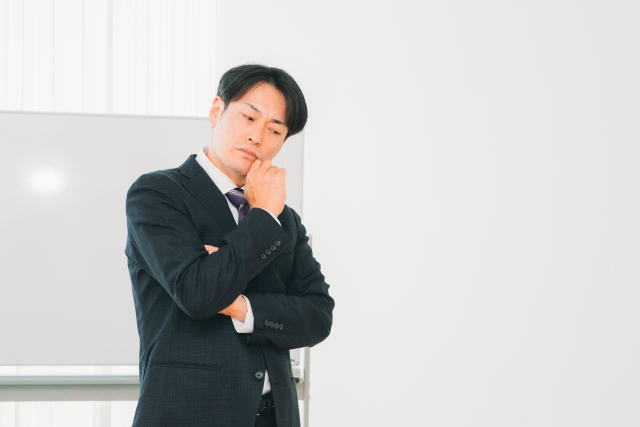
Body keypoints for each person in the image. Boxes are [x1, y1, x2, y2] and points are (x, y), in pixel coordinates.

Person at [125, 64, 335, 427]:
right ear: (216, 111)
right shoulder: (158, 194)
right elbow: (198, 292)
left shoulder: (284, 218)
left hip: (276, 416)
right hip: (189, 415)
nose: (257, 136)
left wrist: (240, 306)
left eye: (275, 130)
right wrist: (262, 217)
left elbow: (318, 316)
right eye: (248, 117)